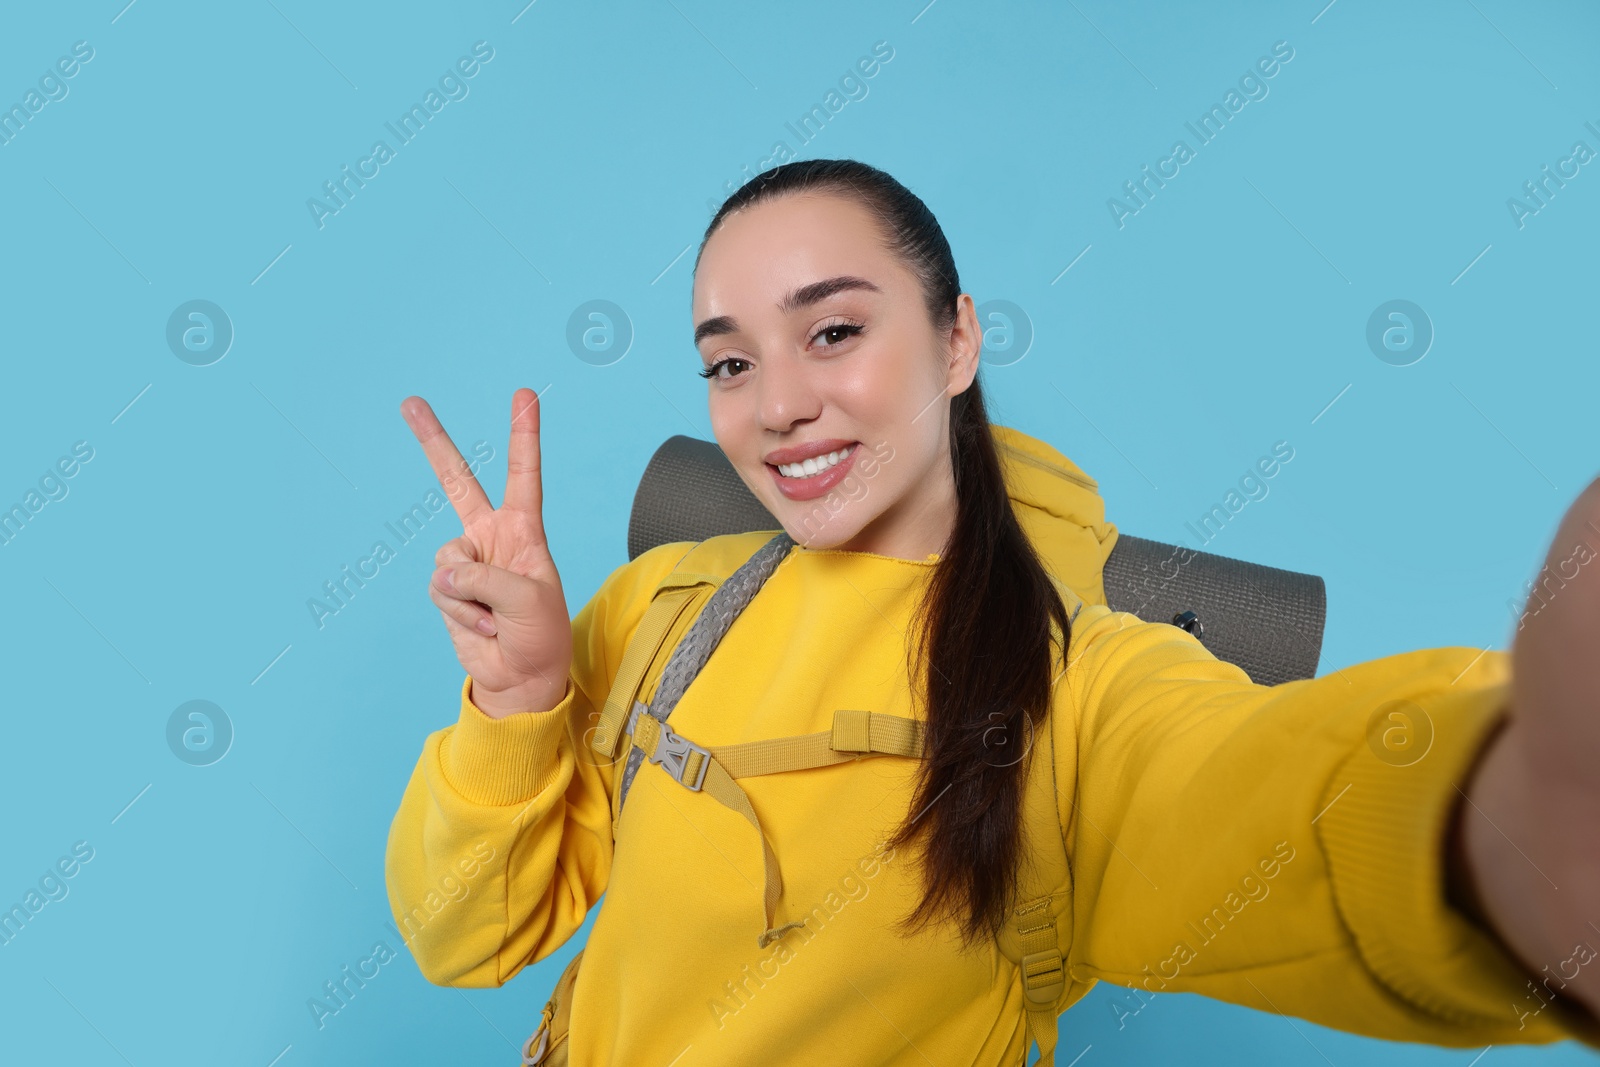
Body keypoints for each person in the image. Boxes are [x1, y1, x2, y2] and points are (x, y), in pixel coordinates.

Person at [385, 159, 1600, 1066]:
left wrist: (1515, 816)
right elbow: (461, 940)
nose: (778, 404)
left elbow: (1271, 807)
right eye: (729, 362)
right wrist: (519, 698)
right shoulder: (663, 607)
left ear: (956, 338)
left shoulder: (1074, 681)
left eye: (836, 331)